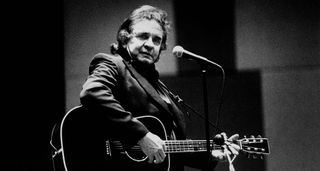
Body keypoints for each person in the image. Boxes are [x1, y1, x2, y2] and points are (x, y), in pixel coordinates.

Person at [77, 4, 240, 171]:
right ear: (126, 39)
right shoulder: (113, 64)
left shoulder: (159, 87)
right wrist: (141, 134)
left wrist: (213, 155)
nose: (150, 44)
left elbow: (171, 148)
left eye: (156, 40)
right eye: (143, 36)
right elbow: (92, 93)